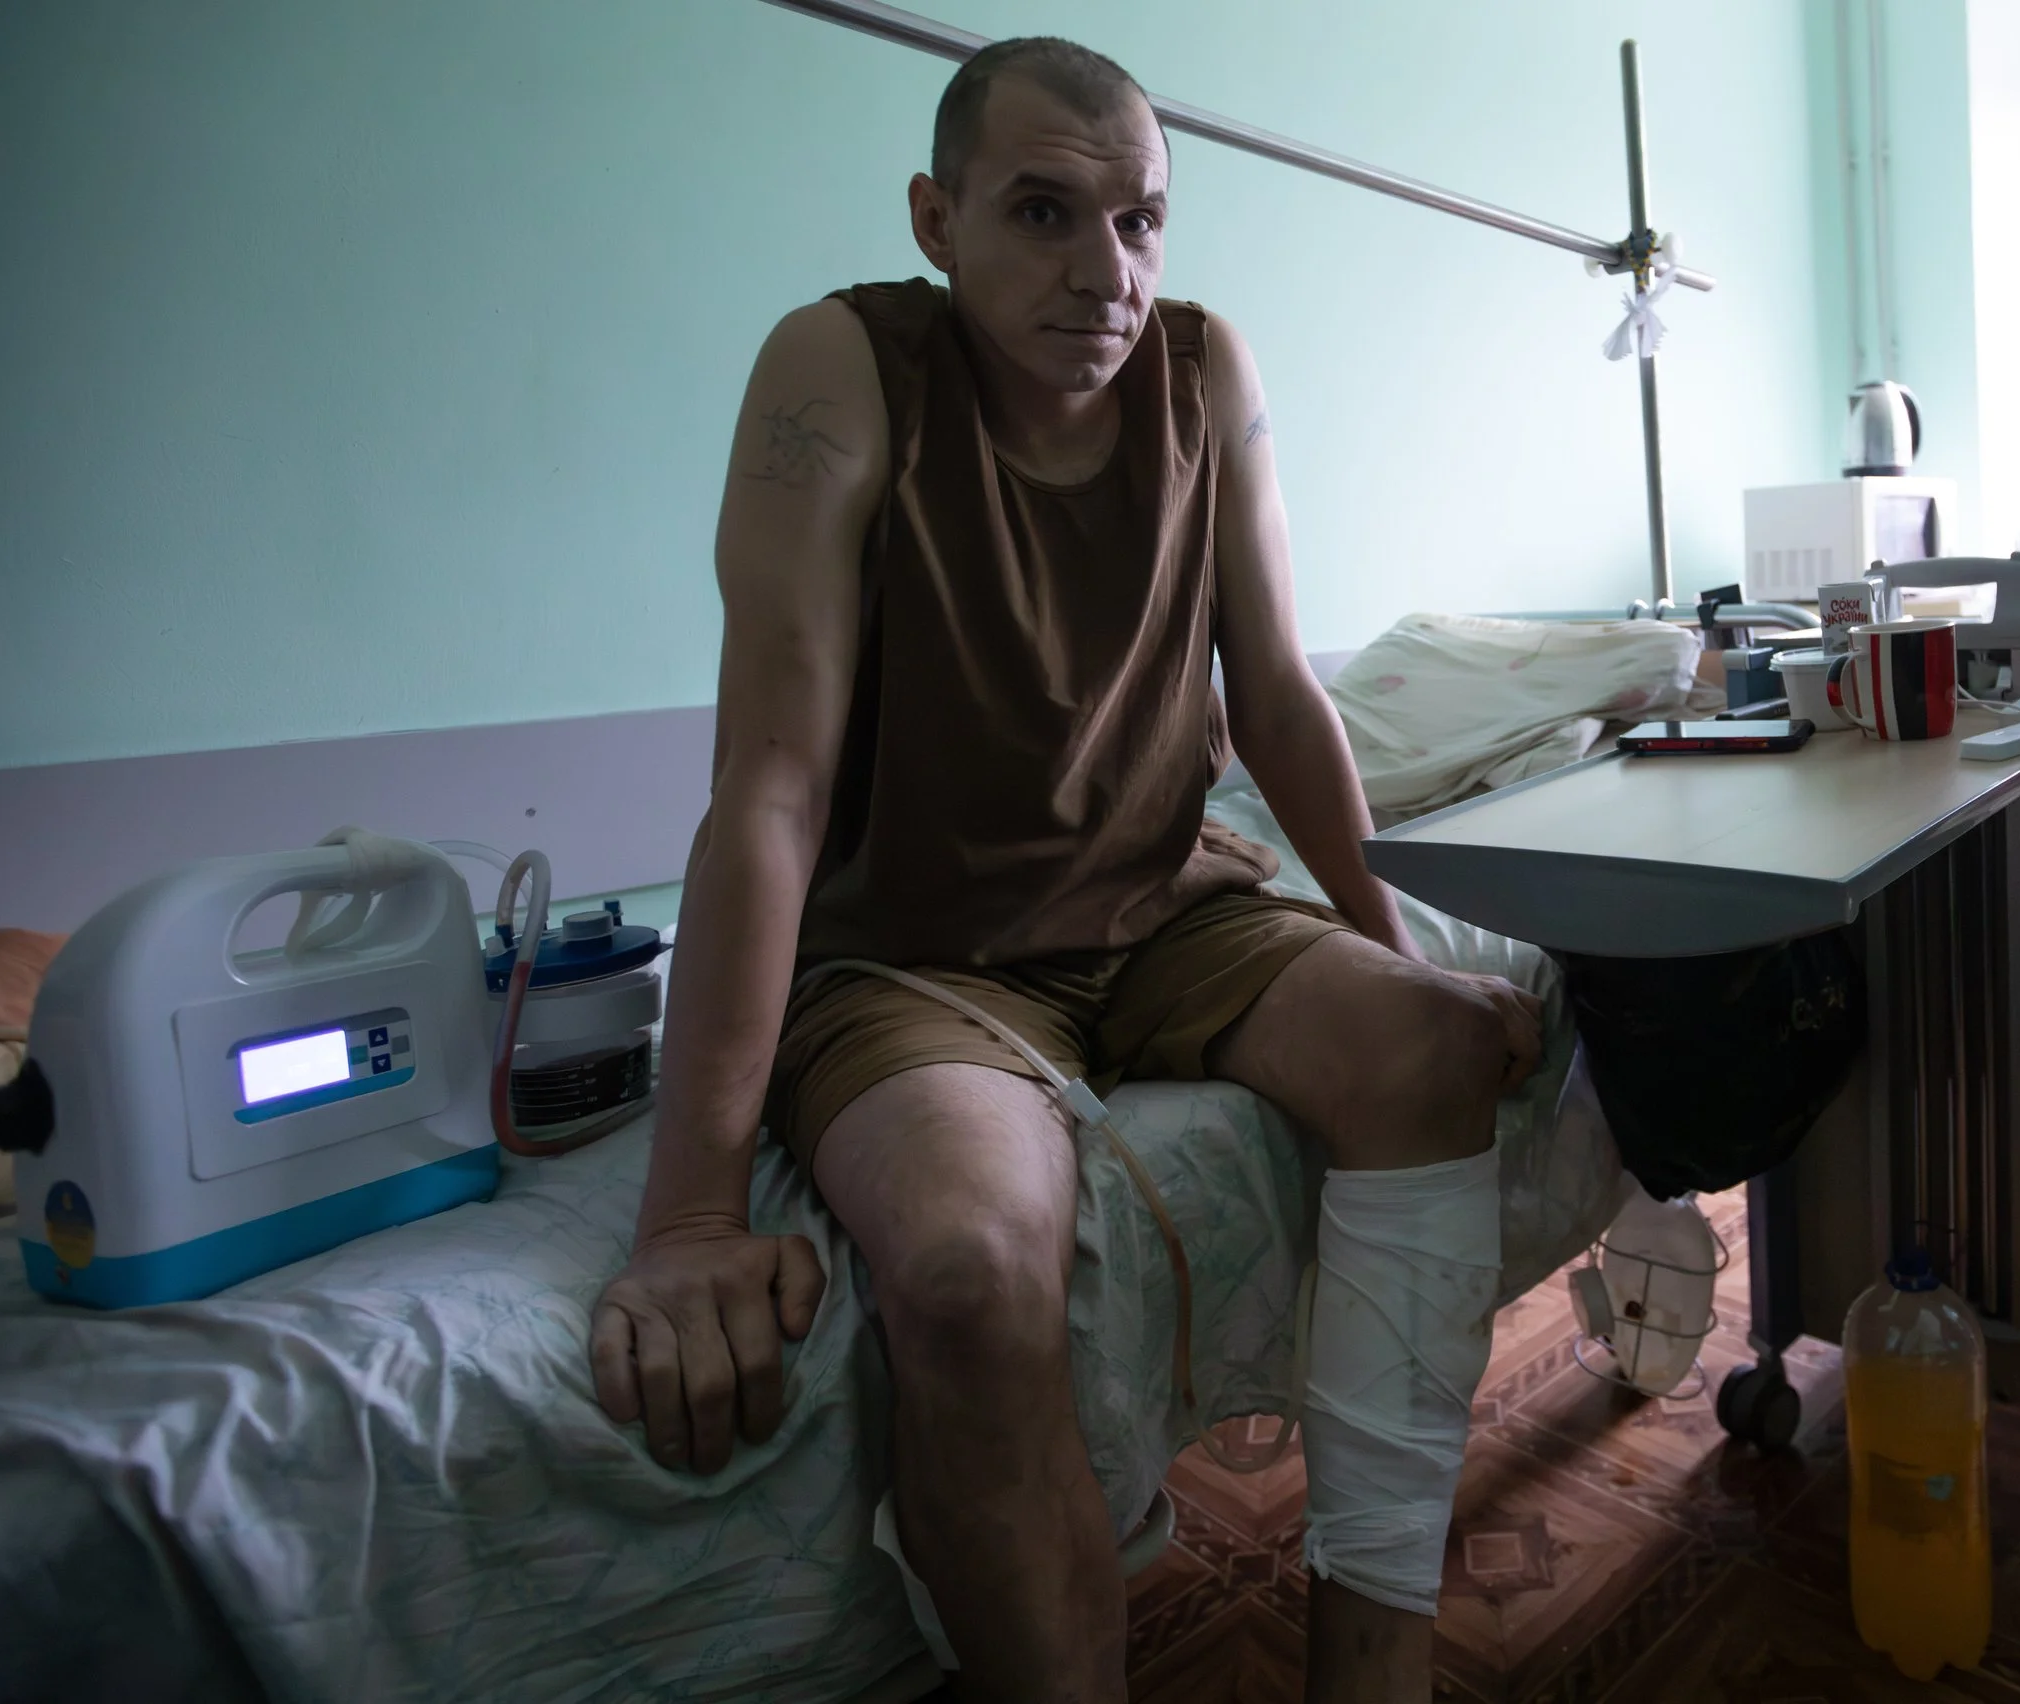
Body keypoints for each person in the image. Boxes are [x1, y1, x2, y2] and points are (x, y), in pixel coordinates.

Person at [583, 35, 1544, 1704]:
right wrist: (688, 1215)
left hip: (1163, 904)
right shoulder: (841, 368)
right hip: (913, 961)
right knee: (964, 1273)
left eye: (1143, 224)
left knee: (1441, 1048)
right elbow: (771, 791)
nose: (1106, 272)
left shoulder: (1205, 373)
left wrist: (1389, 938)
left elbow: (1282, 693)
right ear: (936, 216)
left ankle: (1374, 1668)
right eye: (1043, 213)